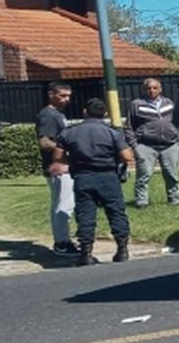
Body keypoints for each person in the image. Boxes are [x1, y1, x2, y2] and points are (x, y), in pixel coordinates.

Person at [52, 98, 133, 265]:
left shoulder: (69, 133)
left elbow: (58, 157)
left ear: (84, 112)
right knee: (116, 212)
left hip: (83, 177)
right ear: (104, 113)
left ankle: (86, 253)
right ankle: (122, 250)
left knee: (85, 215)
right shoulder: (112, 133)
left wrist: (74, 161)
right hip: (108, 177)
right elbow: (127, 156)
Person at [35, 81, 78, 256]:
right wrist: (64, 149)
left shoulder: (58, 114)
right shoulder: (48, 115)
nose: (66, 99)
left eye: (68, 96)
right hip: (58, 164)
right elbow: (44, 142)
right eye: (62, 95)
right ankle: (62, 242)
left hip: (59, 164)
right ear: (51, 94)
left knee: (59, 203)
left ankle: (61, 239)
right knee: (65, 204)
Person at [126, 77, 179, 206]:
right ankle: (142, 202)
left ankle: (175, 200)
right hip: (146, 146)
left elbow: (177, 120)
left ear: (160, 89)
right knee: (144, 175)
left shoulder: (168, 103)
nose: (151, 90)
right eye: (148, 88)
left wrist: (177, 136)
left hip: (170, 144)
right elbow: (128, 126)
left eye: (154, 88)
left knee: (172, 174)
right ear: (144, 90)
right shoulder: (136, 104)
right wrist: (135, 146)